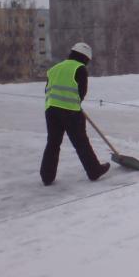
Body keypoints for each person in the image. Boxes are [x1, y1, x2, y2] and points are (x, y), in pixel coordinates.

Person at [40, 42, 110, 185]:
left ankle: (47, 177)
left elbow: (47, 90)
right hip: (71, 112)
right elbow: (81, 92)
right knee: (81, 143)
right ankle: (94, 170)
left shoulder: (54, 69)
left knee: (53, 143)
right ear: (85, 58)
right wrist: (73, 104)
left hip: (51, 110)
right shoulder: (80, 69)